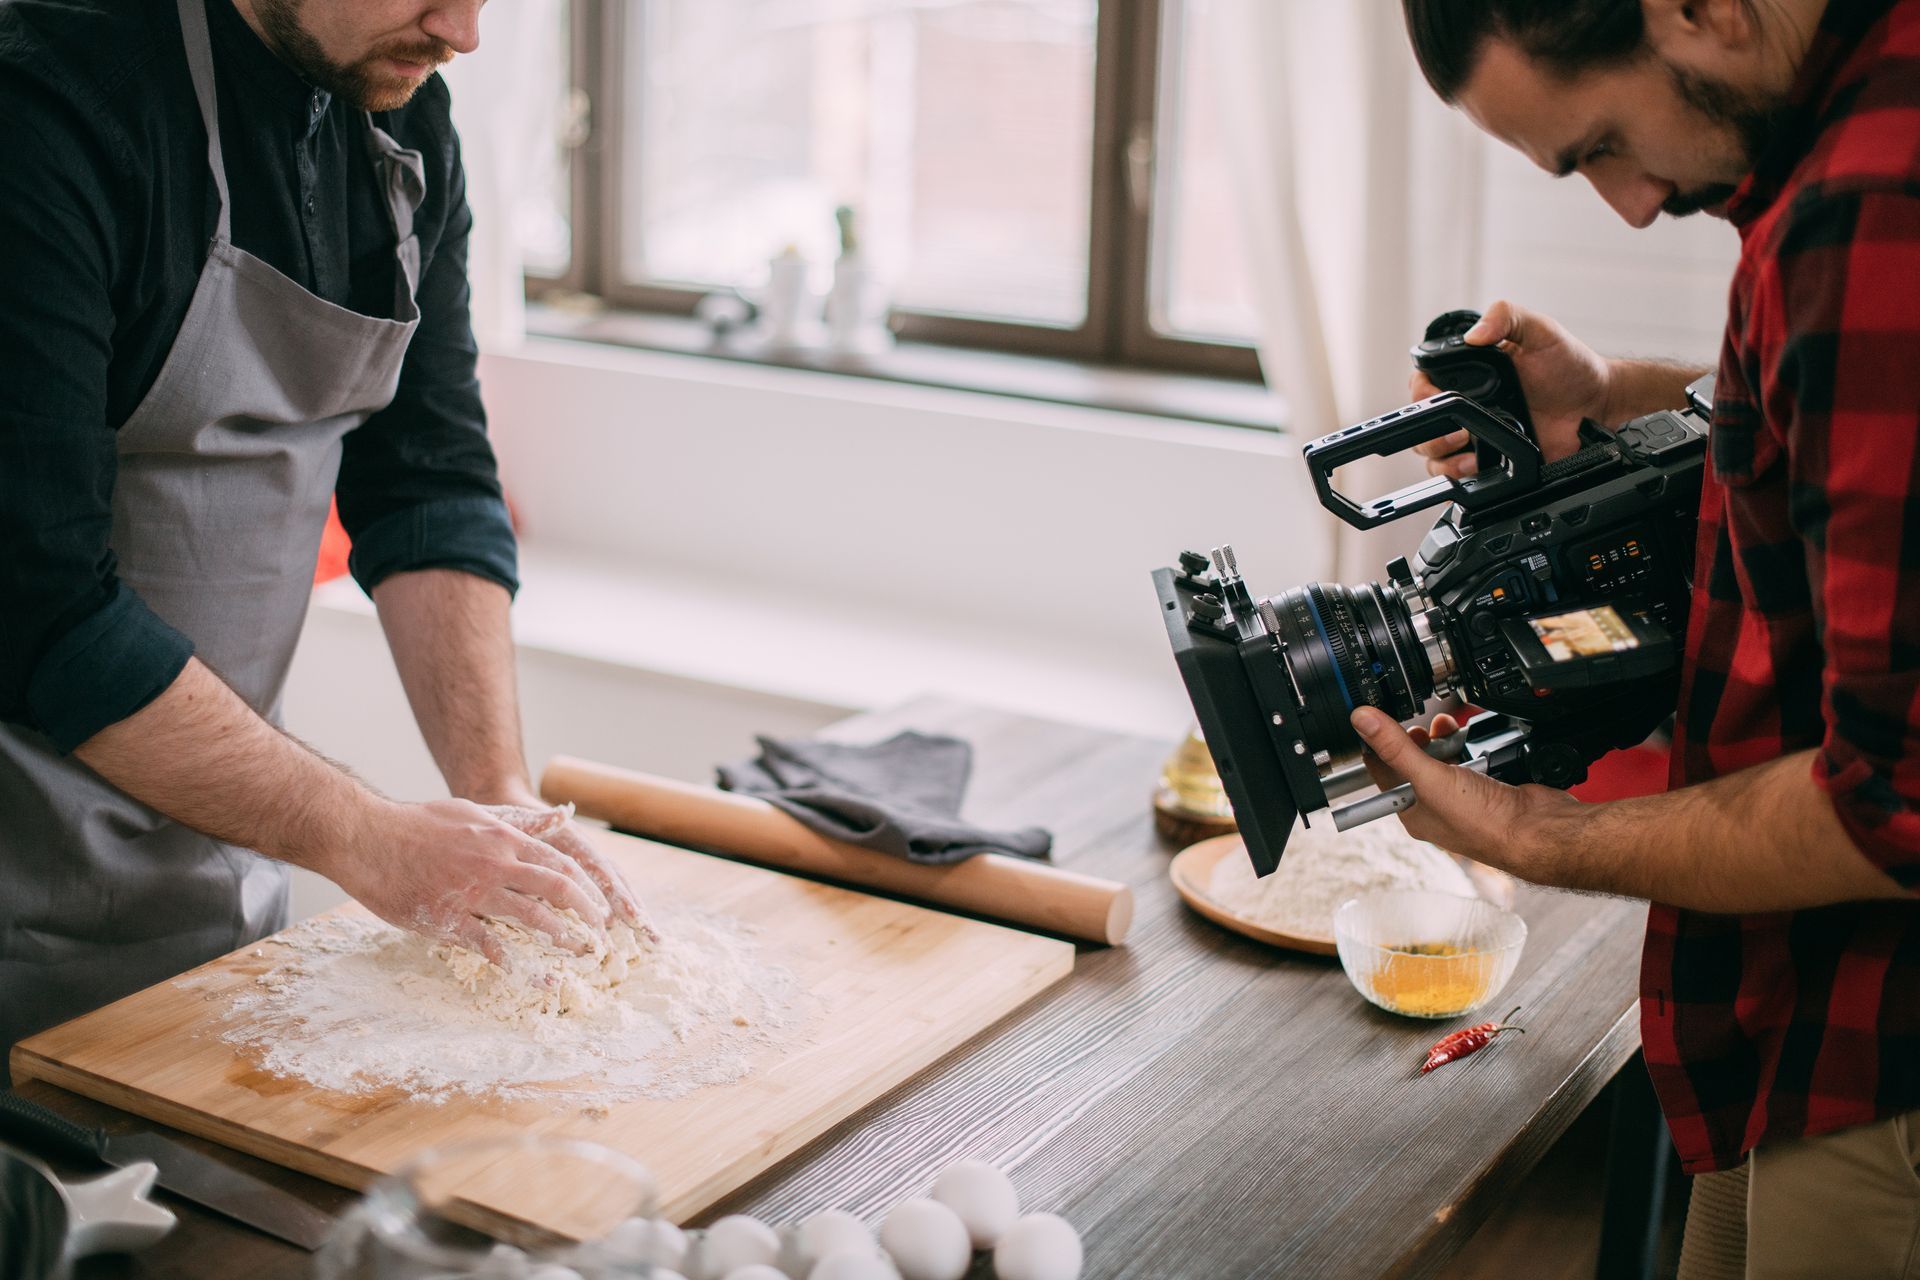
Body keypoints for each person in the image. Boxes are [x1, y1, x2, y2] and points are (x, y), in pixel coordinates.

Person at [1363, 0, 1920, 1274]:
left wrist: (1530, 834)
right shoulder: (1847, 133)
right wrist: (1612, 394)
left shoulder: (1874, 196)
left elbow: (1898, 794)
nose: (1627, 204)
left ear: (1700, 8)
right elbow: (1842, 437)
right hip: (1797, 1029)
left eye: (1601, 142)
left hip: (1878, 1054)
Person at [0, 0, 646, 1079]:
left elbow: (427, 481)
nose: (463, 30)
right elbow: (43, 608)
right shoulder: (48, 109)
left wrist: (501, 797)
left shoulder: (401, 111)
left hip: (220, 856)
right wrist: (373, 836)